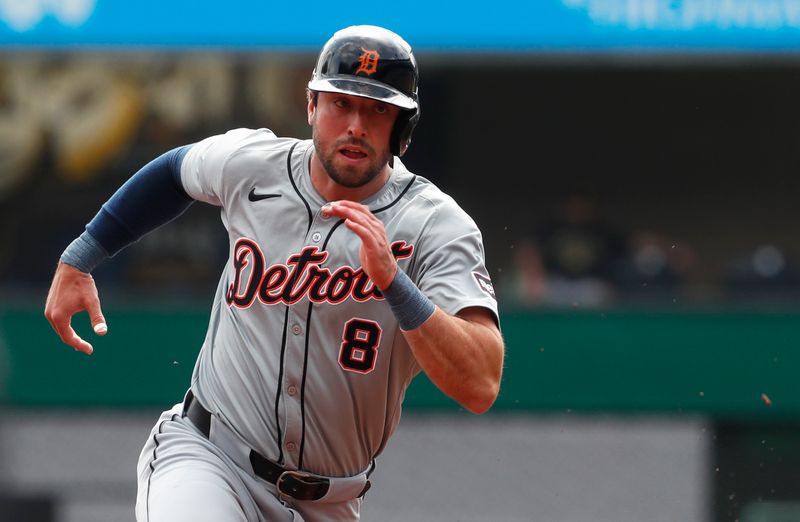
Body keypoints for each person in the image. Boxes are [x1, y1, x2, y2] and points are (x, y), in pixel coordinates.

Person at [44, 25, 504, 522]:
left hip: (330, 501)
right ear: (311, 106)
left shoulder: (436, 225)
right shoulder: (255, 165)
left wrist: (396, 284)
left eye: (378, 110)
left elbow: (480, 384)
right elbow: (175, 170)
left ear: (403, 130)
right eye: (340, 103)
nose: (355, 124)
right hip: (208, 457)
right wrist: (82, 255)